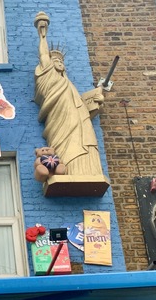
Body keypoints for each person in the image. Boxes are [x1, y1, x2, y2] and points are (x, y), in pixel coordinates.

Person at [33, 12, 105, 177]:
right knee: (64, 144)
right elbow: (44, 55)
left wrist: (97, 102)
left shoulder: (69, 85)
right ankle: (67, 170)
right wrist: (42, 34)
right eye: (55, 61)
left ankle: (88, 172)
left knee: (85, 141)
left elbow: (85, 107)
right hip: (59, 120)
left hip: (79, 121)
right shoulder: (50, 77)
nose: (58, 63)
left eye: (61, 62)